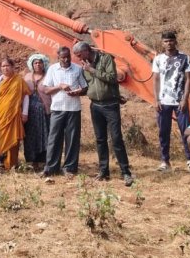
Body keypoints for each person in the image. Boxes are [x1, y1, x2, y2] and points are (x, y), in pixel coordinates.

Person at [73, 41, 134, 187]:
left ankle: (126, 172)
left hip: (110, 105)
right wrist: (79, 92)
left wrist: (92, 70)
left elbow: (112, 78)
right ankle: (104, 171)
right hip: (95, 106)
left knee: (116, 138)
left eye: (80, 55)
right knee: (100, 140)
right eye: (76, 56)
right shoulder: (84, 65)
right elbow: (90, 85)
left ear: (87, 50)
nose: (78, 58)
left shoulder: (105, 58)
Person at [151, 31, 190, 172]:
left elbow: (189, 80)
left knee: (186, 130)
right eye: (165, 41)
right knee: (163, 131)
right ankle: (165, 161)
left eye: (171, 40)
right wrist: (156, 99)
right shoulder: (158, 59)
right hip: (163, 101)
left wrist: (185, 99)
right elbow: (156, 80)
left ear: (175, 41)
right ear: (162, 43)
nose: (168, 43)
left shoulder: (185, 58)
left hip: (179, 101)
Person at [40, 47, 87, 179]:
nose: (66, 60)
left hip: (74, 109)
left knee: (72, 140)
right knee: (54, 139)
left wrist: (78, 92)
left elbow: (84, 88)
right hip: (57, 109)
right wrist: (59, 86)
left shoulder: (77, 69)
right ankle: (50, 168)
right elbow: (46, 90)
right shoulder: (52, 69)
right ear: (58, 57)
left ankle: (69, 168)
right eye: (63, 57)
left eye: (68, 57)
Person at [0, 57, 30, 170]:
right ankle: (1, 163)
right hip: (1, 114)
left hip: (15, 114)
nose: (5, 68)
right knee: (0, 138)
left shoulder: (19, 80)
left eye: (8, 66)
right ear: (0, 68)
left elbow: (25, 96)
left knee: (14, 138)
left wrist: (25, 112)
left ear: (12, 67)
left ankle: (12, 164)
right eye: (3, 66)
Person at [23, 53, 51, 169]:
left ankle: (43, 161)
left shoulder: (49, 76)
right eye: (35, 63)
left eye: (40, 62)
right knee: (30, 136)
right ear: (32, 64)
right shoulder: (27, 77)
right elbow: (23, 94)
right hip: (29, 112)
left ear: (44, 64)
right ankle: (31, 161)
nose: (38, 64)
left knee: (45, 135)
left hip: (44, 111)